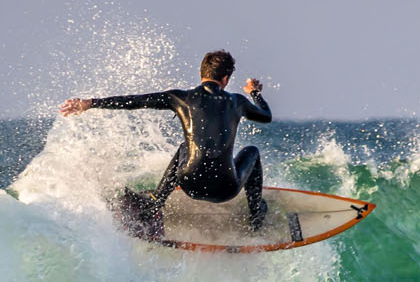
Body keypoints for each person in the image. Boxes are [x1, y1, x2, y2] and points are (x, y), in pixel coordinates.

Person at [60, 50, 272, 230]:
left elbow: (134, 101)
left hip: (190, 184)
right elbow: (266, 116)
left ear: (201, 74)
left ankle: (156, 202)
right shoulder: (238, 102)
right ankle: (255, 215)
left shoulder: (181, 98)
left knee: (185, 148)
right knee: (252, 151)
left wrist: (90, 103)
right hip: (225, 189)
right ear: (226, 79)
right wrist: (254, 93)